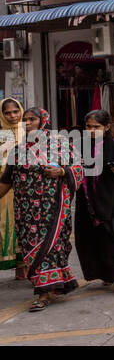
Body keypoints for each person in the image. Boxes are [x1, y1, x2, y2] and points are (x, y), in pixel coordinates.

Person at [0, 109, 83, 311]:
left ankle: (43, 293)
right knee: (31, 250)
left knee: (49, 248)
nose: (27, 123)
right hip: (25, 214)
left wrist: (62, 171)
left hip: (52, 210)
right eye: (25, 120)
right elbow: (5, 183)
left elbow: (79, 169)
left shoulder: (61, 146)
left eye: (32, 119)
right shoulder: (17, 151)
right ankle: (49, 285)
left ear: (43, 121)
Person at [74, 109, 114, 293]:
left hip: (113, 198)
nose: (92, 130)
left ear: (107, 127)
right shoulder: (79, 145)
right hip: (87, 200)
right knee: (94, 238)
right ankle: (106, 274)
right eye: (88, 127)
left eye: (97, 127)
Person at [0, 98, 24, 276]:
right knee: (7, 224)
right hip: (4, 187)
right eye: (7, 113)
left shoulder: (29, 130)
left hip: (26, 187)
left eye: (15, 111)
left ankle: (23, 267)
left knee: (26, 224)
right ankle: (17, 266)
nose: (12, 116)